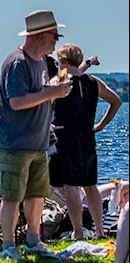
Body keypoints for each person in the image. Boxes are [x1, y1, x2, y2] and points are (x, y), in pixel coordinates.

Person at [0, 10, 73, 260]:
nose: (56, 41)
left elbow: (38, 93)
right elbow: (17, 102)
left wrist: (54, 87)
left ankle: (33, 241)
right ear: (40, 36)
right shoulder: (17, 63)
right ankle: (8, 246)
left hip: (38, 144)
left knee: (37, 195)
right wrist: (53, 93)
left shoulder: (41, 62)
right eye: (55, 36)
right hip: (14, 144)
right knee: (12, 197)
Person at [50, 42, 121, 239]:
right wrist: (101, 125)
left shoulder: (61, 80)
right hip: (87, 137)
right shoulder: (94, 82)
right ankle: (100, 230)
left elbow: (52, 89)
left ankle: (78, 232)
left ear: (64, 62)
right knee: (90, 185)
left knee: (70, 186)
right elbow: (116, 101)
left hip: (65, 137)